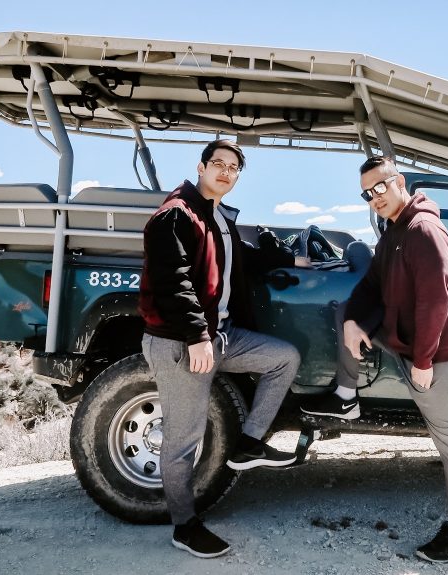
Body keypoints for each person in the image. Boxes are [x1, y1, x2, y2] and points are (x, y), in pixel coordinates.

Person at [138, 139, 305, 559]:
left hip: (222, 337)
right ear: (201, 166)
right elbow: (172, 281)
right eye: (219, 164)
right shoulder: (176, 214)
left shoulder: (216, 216)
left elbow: (241, 259)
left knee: (283, 358)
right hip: (181, 342)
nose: (226, 172)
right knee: (183, 440)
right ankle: (184, 525)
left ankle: (249, 443)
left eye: (234, 167)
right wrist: (196, 337)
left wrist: (291, 263)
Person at [301, 156, 448, 563]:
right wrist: (354, 323)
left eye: (381, 187)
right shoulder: (394, 232)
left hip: (432, 354)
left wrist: (425, 362)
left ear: (401, 181)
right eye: (367, 192)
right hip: (400, 338)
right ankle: (346, 395)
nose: (374, 197)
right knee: (346, 311)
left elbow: (436, 303)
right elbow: (373, 282)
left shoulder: (425, 231)